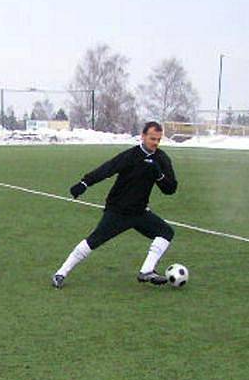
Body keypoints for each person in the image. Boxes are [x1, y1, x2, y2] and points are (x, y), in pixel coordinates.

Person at [52, 121, 178, 288]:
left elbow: (170, 189)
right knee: (93, 241)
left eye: (158, 140)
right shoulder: (130, 156)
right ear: (143, 136)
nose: (155, 143)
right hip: (117, 211)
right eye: (152, 138)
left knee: (166, 232)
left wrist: (159, 176)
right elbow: (107, 169)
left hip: (139, 212)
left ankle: (146, 271)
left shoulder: (161, 159)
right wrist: (84, 183)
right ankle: (61, 273)